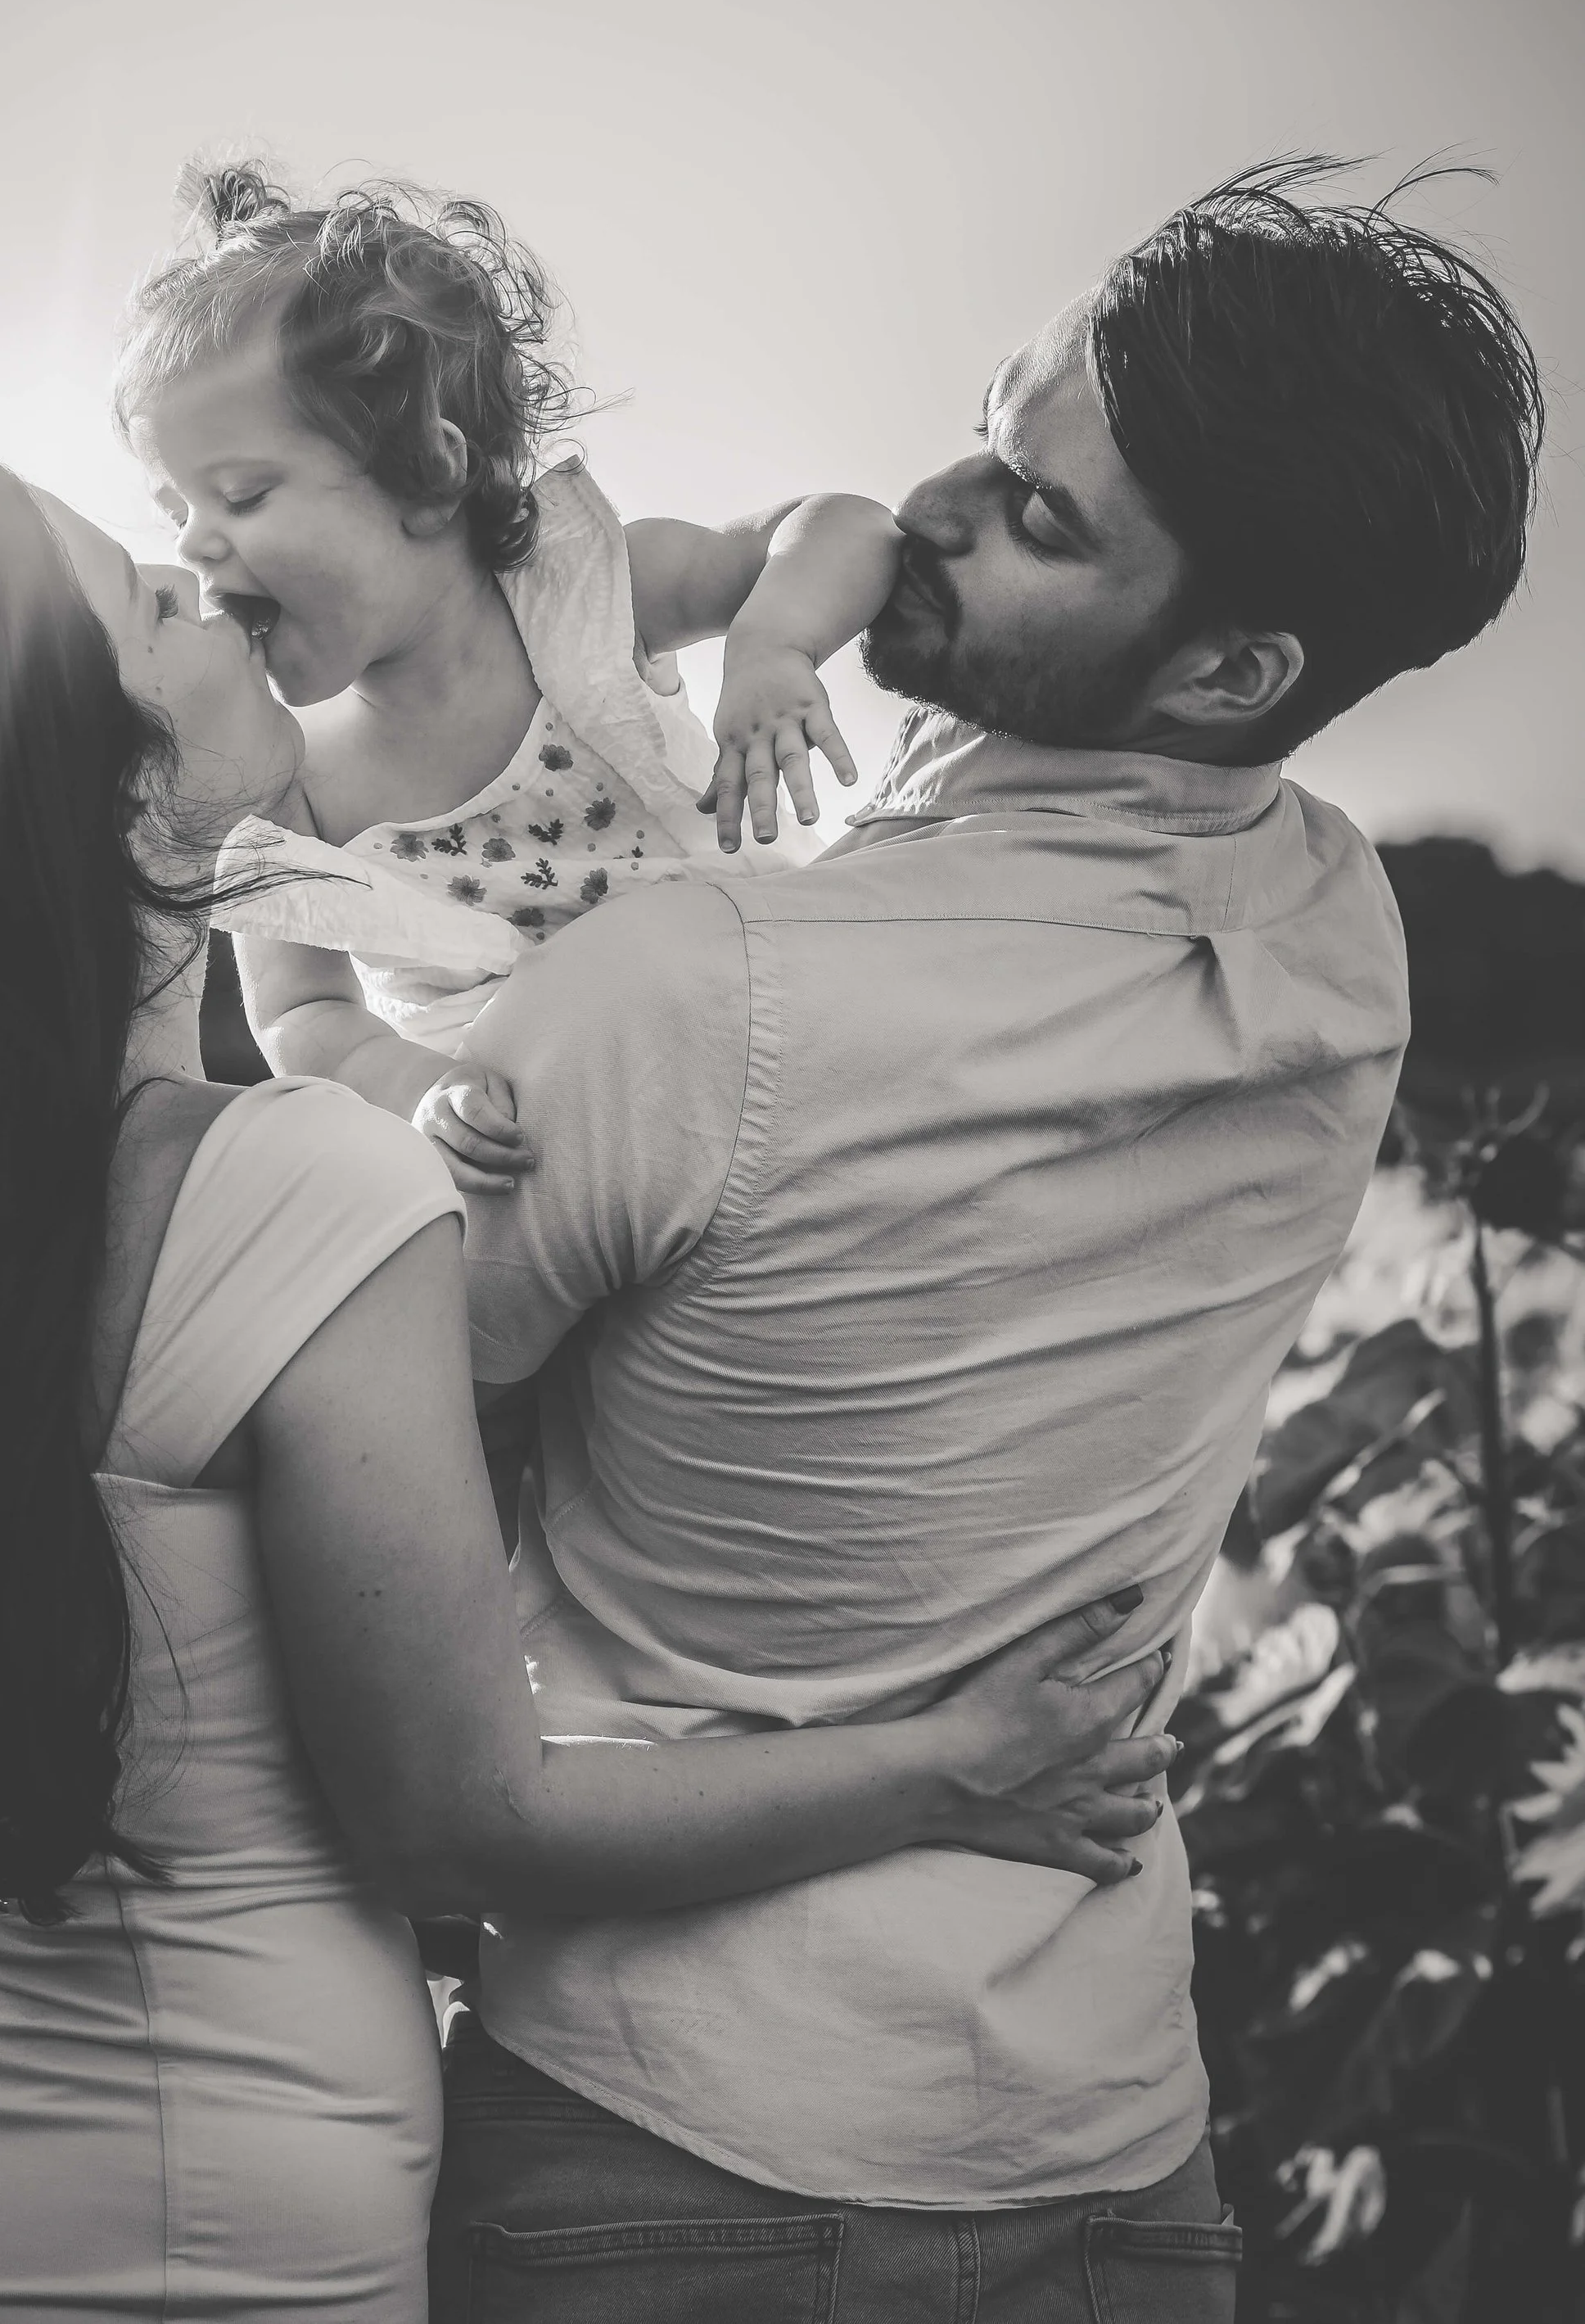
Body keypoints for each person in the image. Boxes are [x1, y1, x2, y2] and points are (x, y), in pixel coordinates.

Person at [0, 442, 1173, 2323]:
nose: (208, 592)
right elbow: (460, 1819)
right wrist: (953, 1762)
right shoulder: (283, 1186)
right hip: (164, 2227)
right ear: (109, 790)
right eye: (152, 611)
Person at [427, 161, 1546, 2322]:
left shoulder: (698, 995)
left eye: (1034, 516)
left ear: (1230, 660)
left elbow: (351, 1405)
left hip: (679, 2152)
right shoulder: (1344, 951)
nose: (926, 504)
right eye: (986, 424)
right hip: (1122, 2157)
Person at [114, 161, 902, 1191]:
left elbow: (838, 525)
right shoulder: (286, 779)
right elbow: (302, 1012)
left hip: (778, 1025)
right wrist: (415, 1089)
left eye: (243, 494)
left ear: (429, 473)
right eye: (175, 510)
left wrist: (773, 644)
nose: (197, 546)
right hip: (561, 1147)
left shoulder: (582, 589)